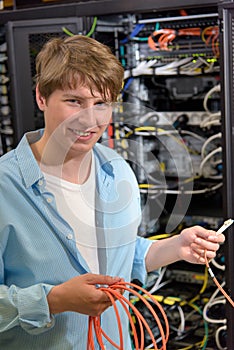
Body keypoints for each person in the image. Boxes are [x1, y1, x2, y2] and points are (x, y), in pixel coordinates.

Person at [0, 35, 225, 350]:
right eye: (74, 101)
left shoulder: (117, 169)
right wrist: (53, 300)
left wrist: (176, 247)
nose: (90, 120)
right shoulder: (5, 186)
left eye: (101, 103)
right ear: (41, 97)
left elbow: (120, 254)